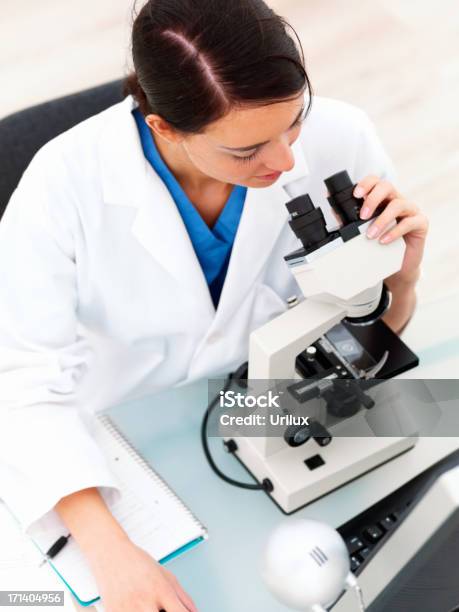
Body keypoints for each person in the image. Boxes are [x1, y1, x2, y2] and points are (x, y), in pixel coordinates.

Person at [0, 0, 428, 610]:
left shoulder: (341, 136)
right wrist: (113, 553)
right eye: (247, 149)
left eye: (294, 122)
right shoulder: (61, 186)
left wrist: (401, 281)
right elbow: (23, 384)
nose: (285, 162)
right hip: (122, 431)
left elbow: (367, 335)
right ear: (164, 129)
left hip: (273, 412)